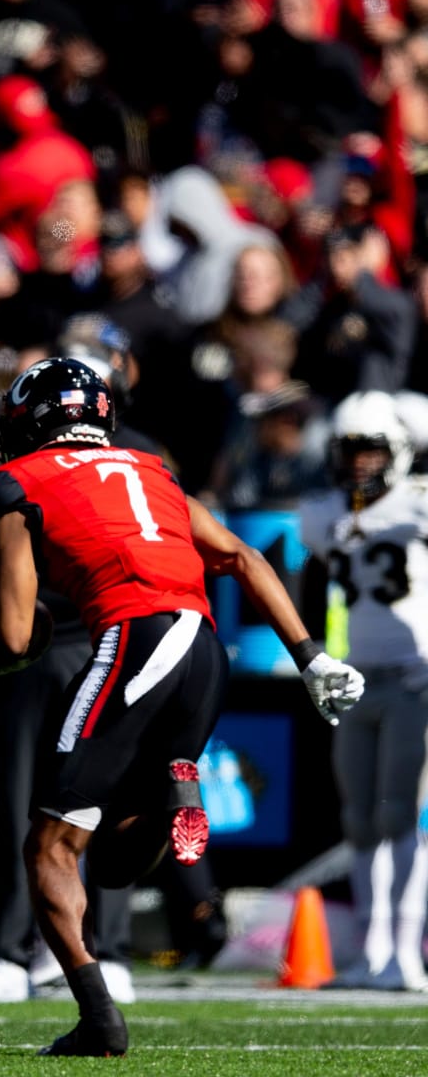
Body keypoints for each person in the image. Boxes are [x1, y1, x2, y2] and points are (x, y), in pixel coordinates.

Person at [0, 357, 365, 1056]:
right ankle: (173, 783)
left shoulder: (11, 483)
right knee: (112, 860)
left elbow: (17, 633)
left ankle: (97, 1017)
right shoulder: (150, 467)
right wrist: (313, 658)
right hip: (204, 651)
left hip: (134, 638)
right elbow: (240, 557)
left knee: (50, 849)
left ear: (32, 421)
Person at [299, 391, 428, 990]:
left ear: (398, 453)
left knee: (402, 813)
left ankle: (404, 953)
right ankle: (371, 950)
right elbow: (312, 588)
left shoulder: (420, 505)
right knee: (359, 819)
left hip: (413, 675)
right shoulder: (324, 513)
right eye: (351, 451)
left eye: (371, 451)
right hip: (355, 677)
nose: (359, 464)